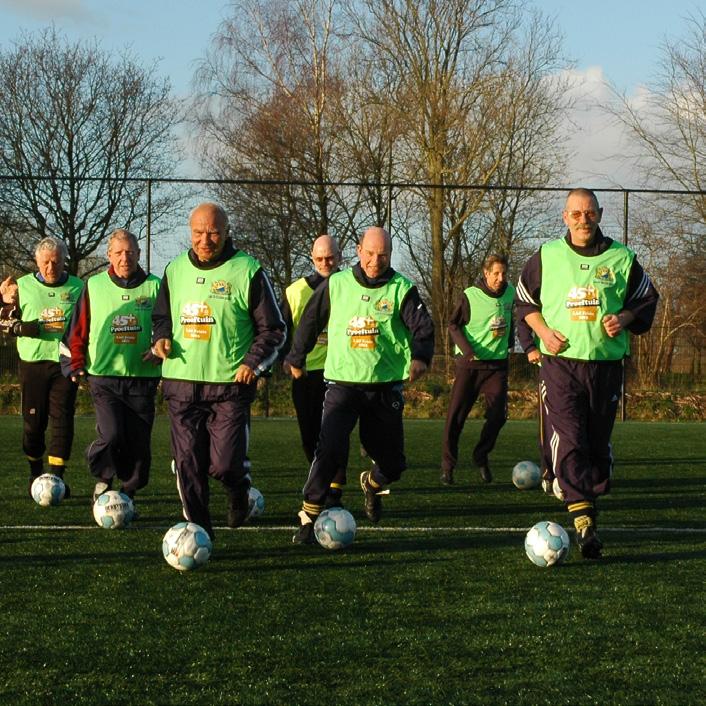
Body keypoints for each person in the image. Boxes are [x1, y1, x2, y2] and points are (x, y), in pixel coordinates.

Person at [515, 188, 658, 558]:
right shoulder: (546, 256)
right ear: (565, 217)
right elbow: (524, 302)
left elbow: (646, 299)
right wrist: (544, 333)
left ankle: (586, 492)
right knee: (571, 436)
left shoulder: (623, 258)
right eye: (576, 214)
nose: (583, 220)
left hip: (606, 366)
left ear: (600, 214)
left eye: (589, 213)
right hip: (560, 365)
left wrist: (624, 317)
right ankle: (584, 521)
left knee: (596, 443)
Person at [286, 226, 434, 544]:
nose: (375, 260)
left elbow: (423, 327)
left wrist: (420, 357)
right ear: (357, 250)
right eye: (369, 253)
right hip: (342, 384)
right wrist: (296, 357)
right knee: (328, 450)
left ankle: (373, 483)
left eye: (382, 255)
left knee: (394, 463)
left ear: (391, 255)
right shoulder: (336, 285)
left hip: (384, 387)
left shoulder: (402, 289)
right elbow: (310, 321)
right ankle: (308, 519)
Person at [151, 202, 285, 540]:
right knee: (188, 465)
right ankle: (199, 532)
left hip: (229, 387)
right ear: (190, 232)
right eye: (198, 233)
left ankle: (238, 489)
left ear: (226, 233)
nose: (205, 240)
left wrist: (252, 362)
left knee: (223, 465)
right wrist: (161, 338)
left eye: (213, 233)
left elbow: (274, 329)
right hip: (181, 385)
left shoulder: (248, 270)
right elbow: (160, 318)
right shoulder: (174, 270)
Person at [61, 229, 161, 507]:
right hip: (103, 377)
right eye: (118, 252)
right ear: (109, 256)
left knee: (139, 444)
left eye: (130, 252)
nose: (124, 258)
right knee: (113, 433)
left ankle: (127, 495)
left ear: (139, 254)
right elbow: (77, 329)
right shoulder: (93, 286)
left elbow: (168, 326)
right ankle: (104, 475)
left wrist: (159, 348)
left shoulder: (156, 286)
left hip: (143, 379)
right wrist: (75, 364)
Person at [0, 238, 84, 496]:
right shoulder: (21, 286)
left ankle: (57, 480)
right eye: (46, 261)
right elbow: (2, 321)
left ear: (64, 261)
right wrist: (18, 325)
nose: (51, 266)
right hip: (32, 365)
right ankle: (35, 475)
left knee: (62, 421)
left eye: (56, 261)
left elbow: (86, 323)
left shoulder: (78, 287)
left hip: (63, 365)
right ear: (37, 261)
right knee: (33, 425)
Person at [280, 234, 347, 505]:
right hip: (306, 374)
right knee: (309, 435)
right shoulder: (294, 291)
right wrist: (290, 362)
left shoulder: (351, 286)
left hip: (341, 372)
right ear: (311, 258)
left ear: (340, 256)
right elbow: (281, 330)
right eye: (319, 258)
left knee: (336, 431)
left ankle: (334, 488)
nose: (325, 262)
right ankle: (321, 476)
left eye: (330, 257)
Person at [440, 254, 515, 486]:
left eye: (503, 273)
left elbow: (511, 318)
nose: (500, 278)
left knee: (499, 415)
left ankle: (480, 455)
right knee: (456, 418)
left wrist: (511, 342)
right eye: (496, 273)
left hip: (497, 366)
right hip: (470, 366)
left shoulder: (511, 293)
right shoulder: (470, 296)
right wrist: (467, 350)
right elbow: (453, 325)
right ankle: (448, 467)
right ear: (486, 273)